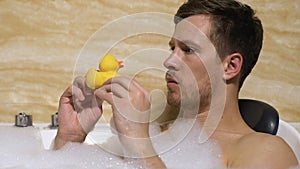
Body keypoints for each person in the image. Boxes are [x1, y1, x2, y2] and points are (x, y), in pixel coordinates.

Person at [53, 0, 299, 168]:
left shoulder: (265, 151)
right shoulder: (155, 136)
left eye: (188, 50)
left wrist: (140, 146)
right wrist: (70, 138)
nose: (169, 61)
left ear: (230, 66)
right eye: (172, 48)